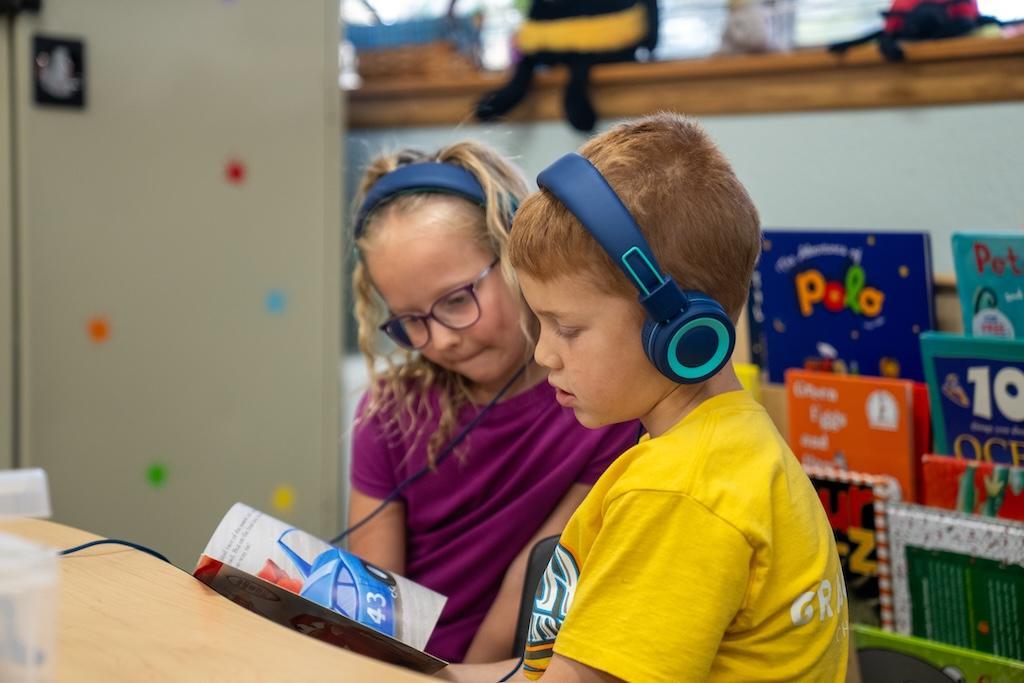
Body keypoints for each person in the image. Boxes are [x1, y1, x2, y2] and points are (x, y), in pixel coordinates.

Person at [445, 113, 848, 682]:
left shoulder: (679, 493)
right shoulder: (736, 446)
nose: (544, 355)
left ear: (681, 333)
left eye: (568, 328)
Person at [348, 141, 638, 664]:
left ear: (514, 254)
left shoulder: (600, 400)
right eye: (410, 320)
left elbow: (529, 584)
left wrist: (455, 679)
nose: (440, 340)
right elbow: (376, 604)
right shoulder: (387, 412)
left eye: (457, 300)